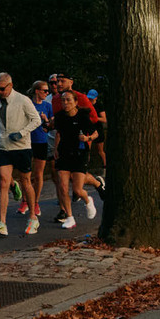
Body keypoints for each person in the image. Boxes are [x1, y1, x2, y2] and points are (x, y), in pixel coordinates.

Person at [0, 73, 41, 235]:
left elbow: (36, 120)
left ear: (10, 86)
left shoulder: (23, 100)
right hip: (4, 147)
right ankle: (2, 222)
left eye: (1, 89)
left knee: (25, 181)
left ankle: (32, 217)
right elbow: (0, 124)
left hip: (22, 147)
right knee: (4, 182)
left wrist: (22, 133)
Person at [52, 90, 100, 227]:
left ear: (75, 103)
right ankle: (70, 217)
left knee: (78, 190)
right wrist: (56, 149)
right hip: (64, 153)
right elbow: (58, 133)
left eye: (68, 100)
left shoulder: (83, 117)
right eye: (63, 100)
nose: (65, 103)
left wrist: (87, 138)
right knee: (62, 186)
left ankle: (88, 200)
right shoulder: (59, 117)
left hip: (79, 153)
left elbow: (95, 133)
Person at [26, 80, 55, 220]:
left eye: (48, 91)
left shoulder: (47, 106)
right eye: (45, 91)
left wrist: (46, 121)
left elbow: (52, 125)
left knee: (38, 174)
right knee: (25, 174)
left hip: (41, 142)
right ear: (37, 91)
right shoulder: (27, 104)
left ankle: (36, 202)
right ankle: (25, 201)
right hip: (27, 141)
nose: (47, 93)